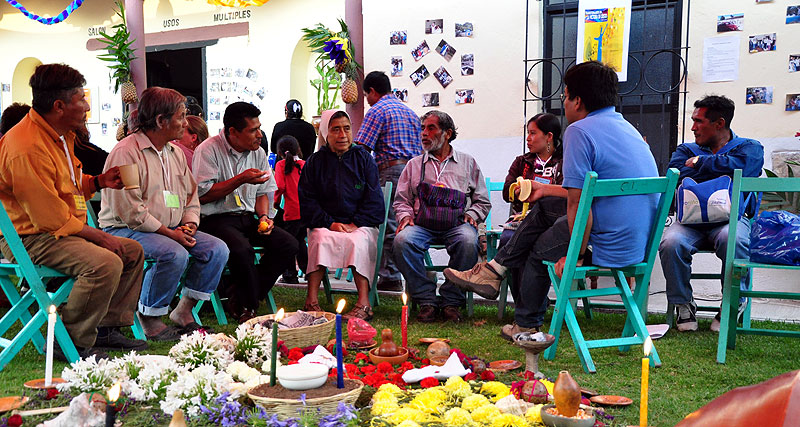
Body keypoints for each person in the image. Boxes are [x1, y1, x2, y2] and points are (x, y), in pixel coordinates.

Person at [443, 61, 659, 338]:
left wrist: (576, 256)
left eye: (564, 96)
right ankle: (493, 271)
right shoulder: (626, 128)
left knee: (538, 251)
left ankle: (524, 321)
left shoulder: (580, 131)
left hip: (606, 240)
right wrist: (544, 189)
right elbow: (590, 192)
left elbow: (578, 205)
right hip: (636, 239)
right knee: (544, 204)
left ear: (577, 100)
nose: (564, 103)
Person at [0, 63, 146, 360]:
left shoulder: (58, 134)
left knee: (131, 251)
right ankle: (71, 344)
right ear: (59, 105)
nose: (87, 106)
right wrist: (101, 238)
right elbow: (48, 217)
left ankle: (106, 327)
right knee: (104, 262)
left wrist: (97, 182)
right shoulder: (25, 145)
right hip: (30, 239)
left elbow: (64, 183)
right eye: (81, 99)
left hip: (57, 232)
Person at [99, 87, 229, 341]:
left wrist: (189, 224)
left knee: (217, 249)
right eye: (180, 116)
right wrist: (169, 233)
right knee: (173, 253)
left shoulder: (175, 152)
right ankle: (149, 318)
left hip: (170, 230)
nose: (185, 122)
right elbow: (131, 210)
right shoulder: (126, 152)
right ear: (161, 121)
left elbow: (191, 196)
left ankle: (183, 312)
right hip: (125, 230)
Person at [659, 95, 764, 332]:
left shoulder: (750, 147)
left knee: (733, 238)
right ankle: (683, 304)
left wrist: (699, 163)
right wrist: (720, 169)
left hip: (730, 218)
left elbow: (746, 169)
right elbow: (676, 175)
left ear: (719, 123)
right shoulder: (686, 149)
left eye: (699, 121)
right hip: (691, 220)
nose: (693, 127)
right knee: (671, 242)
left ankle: (732, 303)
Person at [193, 102, 298, 323]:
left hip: (247, 217)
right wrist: (240, 179)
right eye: (252, 130)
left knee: (288, 244)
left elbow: (263, 191)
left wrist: (264, 217)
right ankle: (248, 307)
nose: (259, 135)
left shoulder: (258, 153)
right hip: (214, 219)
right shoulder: (208, 150)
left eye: (259, 128)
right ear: (233, 132)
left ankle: (240, 295)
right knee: (242, 249)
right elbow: (202, 195)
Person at [451, 114, 566, 308]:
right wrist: (519, 190)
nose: (528, 138)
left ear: (549, 136)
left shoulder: (564, 161)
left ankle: (526, 300)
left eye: (532, 133)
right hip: (522, 218)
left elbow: (566, 194)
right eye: (527, 133)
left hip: (553, 221)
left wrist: (542, 191)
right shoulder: (522, 162)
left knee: (525, 243)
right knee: (507, 239)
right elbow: (507, 193)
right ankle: (525, 302)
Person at [393, 110, 491, 323]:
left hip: (456, 224)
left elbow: (483, 200)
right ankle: (426, 299)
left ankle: (451, 301)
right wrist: (405, 216)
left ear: (447, 133)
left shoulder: (468, 163)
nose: (424, 134)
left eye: (431, 128)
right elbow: (401, 199)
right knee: (402, 241)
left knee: (467, 240)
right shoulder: (414, 164)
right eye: (422, 129)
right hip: (422, 225)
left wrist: (472, 214)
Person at [299, 110, 385, 321]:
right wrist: (331, 223)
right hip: (326, 224)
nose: (342, 135)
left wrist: (356, 223)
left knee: (358, 241)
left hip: (360, 225)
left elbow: (374, 200)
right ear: (325, 133)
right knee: (318, 238)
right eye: (335, 129)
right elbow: (308, 200)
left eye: (346, 129)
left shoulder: (364, 159)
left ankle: (364, 303)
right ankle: (311, 301)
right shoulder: (315, 162)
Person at [356, 71, 423, 292]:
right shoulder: (411, 112)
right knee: (410, 222)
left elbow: (363, 149)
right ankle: (412, 271)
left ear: (373, 92)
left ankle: (391, 276)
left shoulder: (378, 110)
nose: (367, 100)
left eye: (366, 95)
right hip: (416, 171)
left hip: (392, 171)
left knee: (390, 224)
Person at [274, 135, 308, 284]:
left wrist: (275, 202)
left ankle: (290, 274)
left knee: (288, 243)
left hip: (291, 210)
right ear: (298, 148)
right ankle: (309, 271)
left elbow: (279, 186)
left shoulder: (281, 165)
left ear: (280, 152)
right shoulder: (305, 164)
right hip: (305, 211)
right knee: (300, 241)